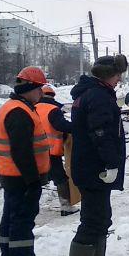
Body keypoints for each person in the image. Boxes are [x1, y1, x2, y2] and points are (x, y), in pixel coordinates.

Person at [68, 54, 129, 256]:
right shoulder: (98, 96)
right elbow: (101, 132)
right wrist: (111, 163)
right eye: (117, 75)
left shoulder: (90, 93)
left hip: (90, 167)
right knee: (92, 220)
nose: (119, 80)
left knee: (101, 217)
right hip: (94, 169)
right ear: (108, 76)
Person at [0, 66, 54, 256]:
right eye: (39, 89)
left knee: (11, 219)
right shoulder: (19, 112)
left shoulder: (13, 107)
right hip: (21, 178)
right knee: (22, 221)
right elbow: (22, 152)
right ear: (29, 89)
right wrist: (32, 181)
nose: (41, 93)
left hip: (11, 175)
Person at [36, 85, 76, 216]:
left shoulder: (33, 107)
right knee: (61, 178)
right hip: (51, 150)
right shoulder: (53, 109)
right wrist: (77, 127)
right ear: (52, 96)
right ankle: (66, 206)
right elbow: (61, 125)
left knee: (36, 179)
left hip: (35, 151)